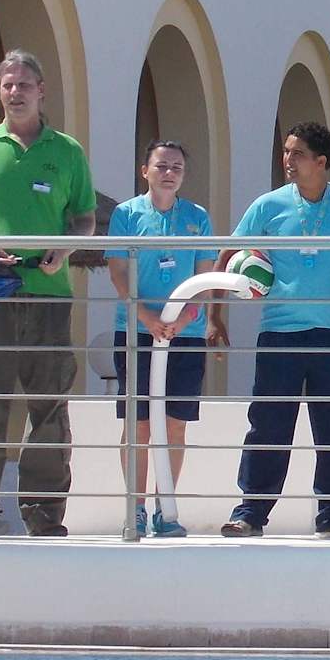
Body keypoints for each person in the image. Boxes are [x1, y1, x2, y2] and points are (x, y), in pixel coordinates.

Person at [0, 50, 96, 538]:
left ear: (41, 90)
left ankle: (44, 512)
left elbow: (85, 219)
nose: (15, 92)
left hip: (49, 297)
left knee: (49, 408)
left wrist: (64, 250)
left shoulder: (67, 151)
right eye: (7, 84)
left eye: (24, 84)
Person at [214, 122, 330, 538]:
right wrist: (215, 316)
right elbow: (228, 253)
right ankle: (250, 513)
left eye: (297, 153)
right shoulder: (268, 205)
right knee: (268, 424)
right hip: (279, 332)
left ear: (320, 162)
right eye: (286, 152)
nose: (287, 160)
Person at [104, 141, 218, 540]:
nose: (169, 173)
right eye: (162, 166)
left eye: (177, 168)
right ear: (145, 171)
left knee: (175, 426)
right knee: (138, 425)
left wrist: (185, 317)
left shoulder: (197, 217)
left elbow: (205, 276)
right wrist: (146, 316)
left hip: (185, 335)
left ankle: (164, 508)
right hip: (136, 331)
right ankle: (134, 508)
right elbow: (118, 272)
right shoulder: (126, 214)